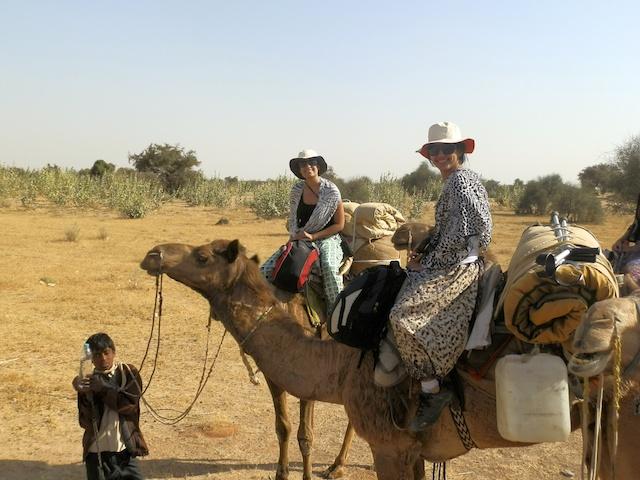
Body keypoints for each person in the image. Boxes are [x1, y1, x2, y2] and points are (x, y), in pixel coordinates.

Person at [389, 121, 493, 432]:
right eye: (436, 150)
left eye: (447, 149)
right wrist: (426, 249)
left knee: (401, 317)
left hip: (459, 264)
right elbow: (449, 230)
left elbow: (461, 236)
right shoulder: (458, 180)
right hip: (453, 257)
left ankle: (433, 389)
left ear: (460, 151)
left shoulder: (459, 182)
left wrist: (429, 261)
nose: (441, 155)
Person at [261, 149, 345, 311]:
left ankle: (336, 314)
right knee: (265, 270)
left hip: (327, 238)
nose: (308, 167)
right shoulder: (296, 190)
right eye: (303, 164)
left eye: (311, 163)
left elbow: (339, 225)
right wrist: (294, 238)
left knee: (329, 267)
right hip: (300, 238)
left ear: (318, 166)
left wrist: (314, 236)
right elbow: (294, 219)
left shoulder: (331, 191)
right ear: (299, 170)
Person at [72, 332, 148, 480]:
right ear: (91, 359)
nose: (103, 359)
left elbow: (130, 407)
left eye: (106, 353)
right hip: (97, 452)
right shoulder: (88, 380)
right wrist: (85, 394)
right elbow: (85, 422)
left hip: (124, 451)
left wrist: (104, 389)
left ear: (114, 352)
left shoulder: (128, 373)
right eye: (97, 355)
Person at [612, 194, 640, 284]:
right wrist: (618, 243)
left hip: (636, 258)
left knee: (630, 272)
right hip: (628, 255)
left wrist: (628, 249)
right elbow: (622, 239)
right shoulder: (635, 225)